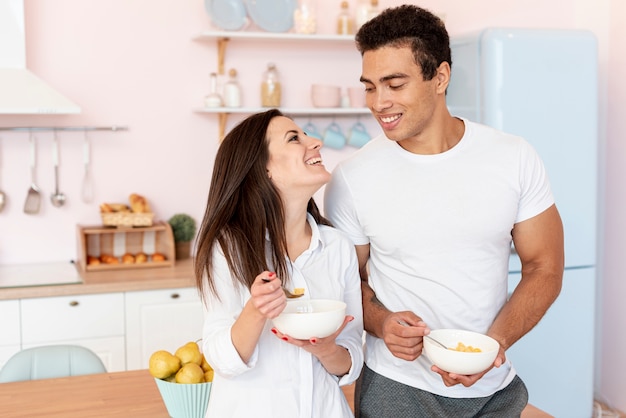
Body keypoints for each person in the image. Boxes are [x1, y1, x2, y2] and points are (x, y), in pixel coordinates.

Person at [324, 4, 564, 417]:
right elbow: (345, 282)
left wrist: (494, 345)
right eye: (369, 86)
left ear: (441, 76)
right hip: (396, 387)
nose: (379, 102)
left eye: (395, 84)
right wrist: (381, 323)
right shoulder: (352, 178)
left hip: (494, 385)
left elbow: (544, 266)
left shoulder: (513, 157)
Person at [194, 109, 364, 418]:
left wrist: (326, 349)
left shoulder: (337, 247)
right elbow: (220, 359)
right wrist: (256, 312)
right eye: (294, 138)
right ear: (264, 170)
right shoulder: (228, 248)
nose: (315, 142)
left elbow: (351, 360)